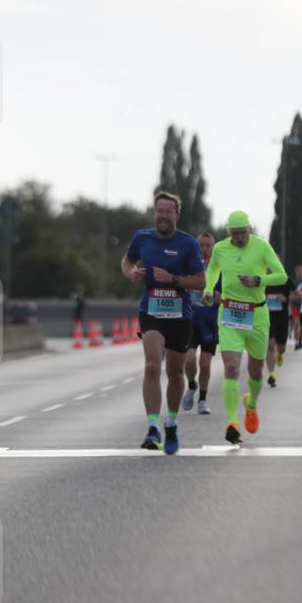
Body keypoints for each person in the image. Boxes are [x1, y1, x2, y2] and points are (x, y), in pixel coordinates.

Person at [122, 192, 206, 454]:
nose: (164, 216)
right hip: (152, 311)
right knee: (150, 366)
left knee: (175, 373)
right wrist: (131, 272)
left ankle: (171, 421)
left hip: (180, 316)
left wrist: (173, 279)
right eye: (160, 211)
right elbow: (127, 261)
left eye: (169, 212)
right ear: (154, 212)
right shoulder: (142, 238)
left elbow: (201, 281)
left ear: (176, 216)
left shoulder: (188, 244)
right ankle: (153, 427)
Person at [202, 211, 287, 444]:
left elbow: (282, 276)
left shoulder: (262, 247)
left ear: (250, 229)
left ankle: (251, 405)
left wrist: (259, 280)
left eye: (244, 233)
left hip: (257, 314)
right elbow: (213, 269)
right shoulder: (220, 248)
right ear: (229, 232)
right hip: (230, 314)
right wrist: (209, 289)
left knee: (256, 372)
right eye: (236, 234)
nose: (240, 238)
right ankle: (233, 424)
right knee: (231, 368)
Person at [182, 231, 221, 414]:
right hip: (190, 321)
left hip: (210, 322)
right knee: (189, 359)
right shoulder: (189, 268)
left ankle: (203, 400)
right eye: (201, 246)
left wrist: (216, 295)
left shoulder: (219, 271)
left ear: (213, 248)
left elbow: (226, 296)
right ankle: (191, 385)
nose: (204, 249)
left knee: (205, 363)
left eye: (208, 246)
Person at [266, 270, 297, 387]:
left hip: (282, 319)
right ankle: (271, 374)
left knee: (281, 348)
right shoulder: (264, 279)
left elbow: (298, 294)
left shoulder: (284, 279)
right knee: (270, 345)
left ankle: (279, 355)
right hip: (268, 318)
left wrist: (286, 298)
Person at [291, 264, 302, 349]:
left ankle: (300, 341)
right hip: (295, 306)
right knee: (296, 325)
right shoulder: (293, 282)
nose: (300, 274)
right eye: (298, 272)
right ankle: (296, 342)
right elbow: (290, 295)